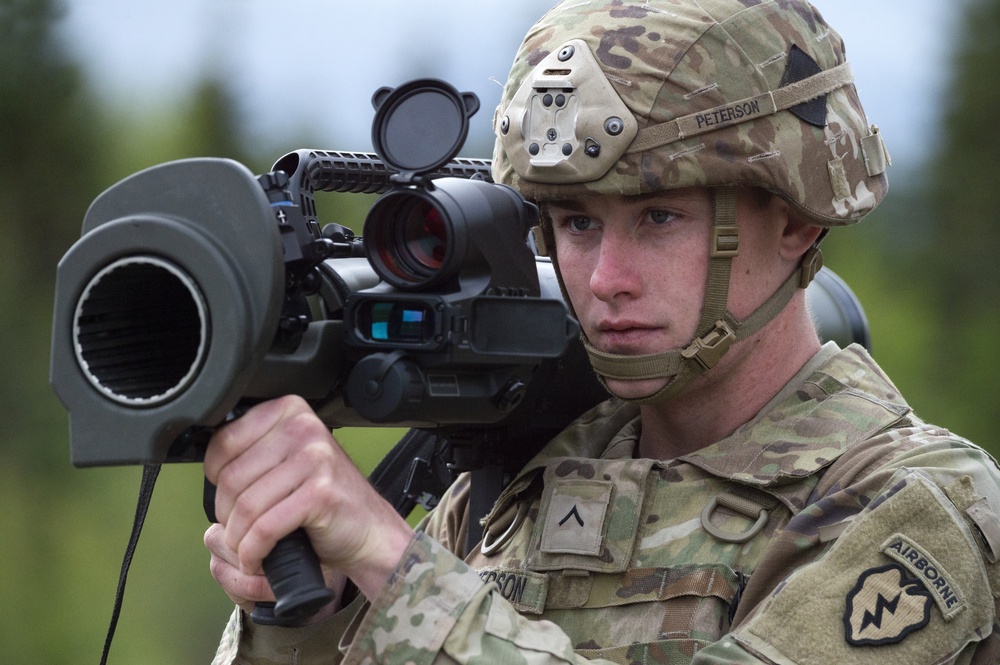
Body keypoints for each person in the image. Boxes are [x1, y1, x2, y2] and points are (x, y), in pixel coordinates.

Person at [204, 0, 1000, 663]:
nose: (605, 277)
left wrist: (392, 565)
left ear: (791, 220)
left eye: (658, 218)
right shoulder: (527, 482)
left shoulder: (910, 502)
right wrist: (306, 614)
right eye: (578, 223)